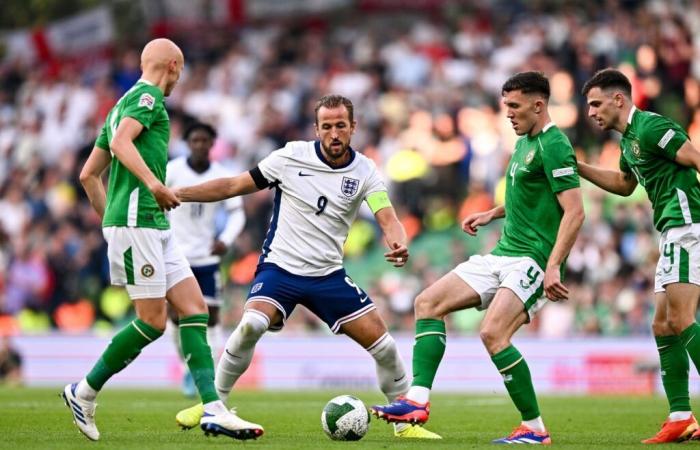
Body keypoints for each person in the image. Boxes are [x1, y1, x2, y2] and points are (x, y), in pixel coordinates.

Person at [173, 94, 440, 439]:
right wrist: (178, 193)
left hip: (328, 275)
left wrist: (398, 240)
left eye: (340, 126)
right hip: (280, 269)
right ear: (316, 129)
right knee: (251, 324)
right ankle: (214, 405)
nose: (333, 133)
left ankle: (405, 428)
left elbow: (387, 217)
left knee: (385, 347)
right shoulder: (290, 157)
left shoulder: (364, 170)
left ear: (353, 128)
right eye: (326, 126)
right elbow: (232, 185)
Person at [63, 38, 263, 442]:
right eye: (181, 70)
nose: (179, 79)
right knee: (153, 322)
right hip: (141, 222)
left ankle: (214, 408)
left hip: (148, 225)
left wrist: (109, 224)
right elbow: (120, 144)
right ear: (173, 65)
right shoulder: (149, 98)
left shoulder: (120, 104)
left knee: (194, 310)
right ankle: (83, 391)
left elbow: (89, 175)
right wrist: (153, 186)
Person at [371, 71, 585, 445]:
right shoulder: (523, 143)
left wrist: (553, 265)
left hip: (532, 260)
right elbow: (530, 197)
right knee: (427, 302)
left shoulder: (555, 145)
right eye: (506, 107)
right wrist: (492, 213)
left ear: (538, 105)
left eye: (515, 107)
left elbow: (574, 210)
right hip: (502, 252)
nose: (508, 114)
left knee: (493, 333)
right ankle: (417, 401)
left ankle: (534, 429)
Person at [578, 68, 700, 444]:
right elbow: (624, 183)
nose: (592, 112)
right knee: (662, 325)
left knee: (681, 319)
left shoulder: (649, 126)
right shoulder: (629, 140)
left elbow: (696, 158)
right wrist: (577, 166)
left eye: (596, 103)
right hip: (670, 232)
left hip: (688, 225)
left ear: (619, 99)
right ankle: (680, 416)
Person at [166, 121, 245, 397]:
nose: (200, 145)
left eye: (205, 140)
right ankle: (187, 368)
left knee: (210, 316)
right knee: (176, 317)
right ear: (188, 143)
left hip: (207, 258)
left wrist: (226, 239)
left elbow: (237, 212)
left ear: (213, 144)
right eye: (195, 140)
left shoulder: (222, 175)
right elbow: (156, 202)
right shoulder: (172, 171)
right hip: (175, 257)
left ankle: (206, 373)